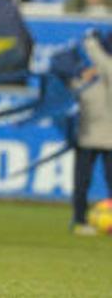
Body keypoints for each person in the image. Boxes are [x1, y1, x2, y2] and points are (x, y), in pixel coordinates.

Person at [71, 32, 112, 236]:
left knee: (83, 180)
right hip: (90, 131)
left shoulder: (86, 60)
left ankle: (79, 220)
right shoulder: (87, 63)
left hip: (93, 131)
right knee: (83, 180)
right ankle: (79, 220)